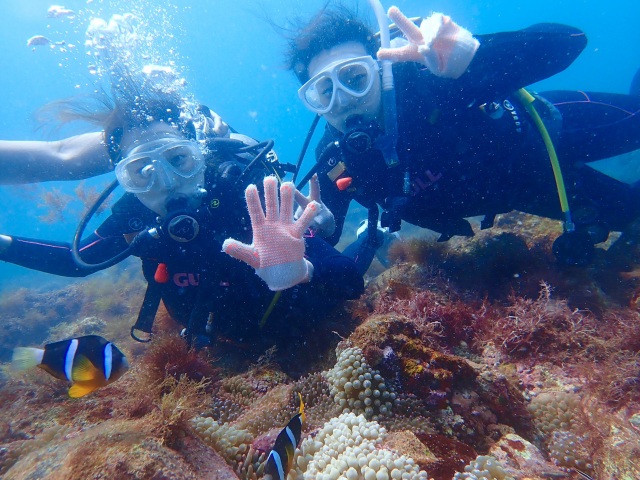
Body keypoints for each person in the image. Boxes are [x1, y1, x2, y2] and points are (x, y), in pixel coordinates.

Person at [0, 80, 364, 353]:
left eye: (178, 160)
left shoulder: (245, 198)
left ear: (201, 155)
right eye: (142, 171)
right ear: (125, 178)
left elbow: (349, 280)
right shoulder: (135, 216)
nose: (167, 183)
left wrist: (301, 271)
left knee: (363, 247)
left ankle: (373, 233)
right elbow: (75, 261)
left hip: (303, 334)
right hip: (221, 347)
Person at [286, 5, 640, 266]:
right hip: (530, 188)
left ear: (382, 71)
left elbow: (570, 42)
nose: (343, 100)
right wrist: (310, 233)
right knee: (631, 213)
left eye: (354, 77)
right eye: (323, 92)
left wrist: (475, 57)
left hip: (550, 133)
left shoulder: (431, 81)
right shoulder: (337, 161)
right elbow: (324, 237)